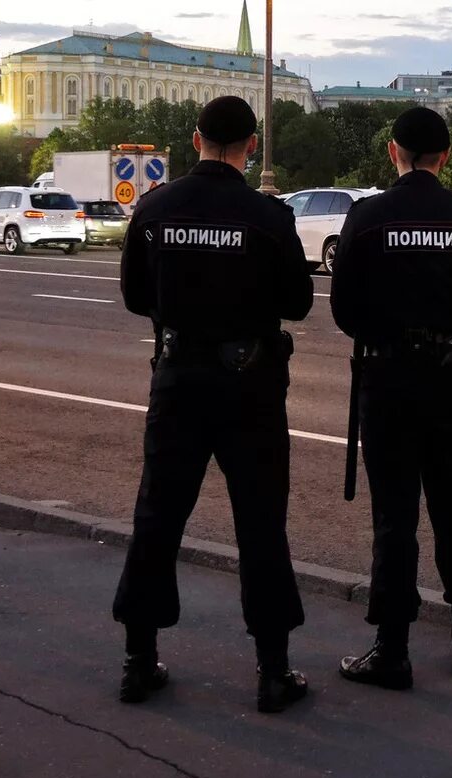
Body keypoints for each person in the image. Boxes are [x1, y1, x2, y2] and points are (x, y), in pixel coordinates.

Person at [112, 96, 314, 713]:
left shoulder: (155, 209)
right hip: (249, 387)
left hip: (177, 380)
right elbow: (299, 303)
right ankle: (273, 671)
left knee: (158, 517)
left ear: (196, 138)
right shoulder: (268, 216)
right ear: (251, 145)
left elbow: (133, 295)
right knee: (260, 524)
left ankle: (139, 661)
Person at [330, 107, 452, 690]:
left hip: (389, 386)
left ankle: (392, 648)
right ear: (447, 157)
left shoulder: (368, 217)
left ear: (393, 152)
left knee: (395, 520)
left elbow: (343, 311)